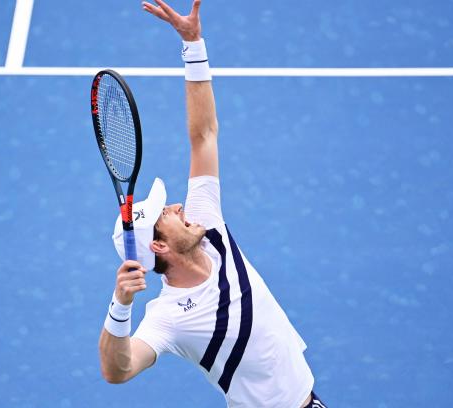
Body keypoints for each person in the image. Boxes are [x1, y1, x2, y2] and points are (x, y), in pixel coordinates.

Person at [98, 1, 326, 407]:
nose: (178, 208)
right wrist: (121, 304)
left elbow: (203, 135)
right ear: (159, 246)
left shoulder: (207, 225)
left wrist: (192, 45)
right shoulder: (168, 317)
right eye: (165, 215)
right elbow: (118, 370)